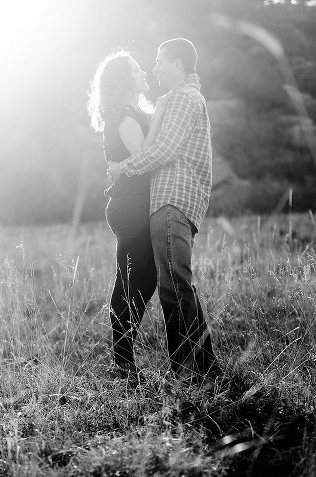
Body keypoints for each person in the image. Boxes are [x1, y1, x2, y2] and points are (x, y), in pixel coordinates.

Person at [107, 38, 219, 383]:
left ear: (177, 65)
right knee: (171, 284)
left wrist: (124, 167)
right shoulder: (172, 100)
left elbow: (165, 148)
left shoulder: (182, 98)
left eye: (158, 62)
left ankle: (188, 371)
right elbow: (159, 145)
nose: (153, 69)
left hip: (172, 200)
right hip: (161, 202)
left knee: (173, 287)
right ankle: (202, 368)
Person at [88, 50, 170, 384]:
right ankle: (123, 364)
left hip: (134, 204)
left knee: (142, 280)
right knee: (131, 282)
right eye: (135, 69)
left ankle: (124, 359)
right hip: (132, 206)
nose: (143, 71)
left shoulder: (128, 112)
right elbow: (145, 157)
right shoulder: (124, 115)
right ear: (123, 78)